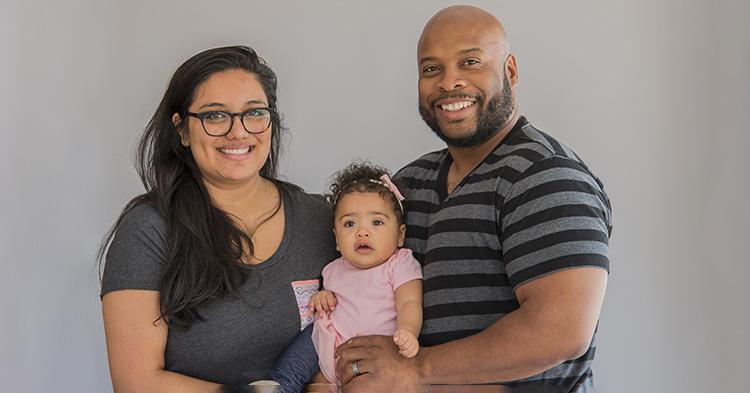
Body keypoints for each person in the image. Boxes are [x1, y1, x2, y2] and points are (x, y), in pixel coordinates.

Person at [334, 6, 612, 393]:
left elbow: (560, 332)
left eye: (470, 62)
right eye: (432, 69)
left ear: (510, 71)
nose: (450, 83)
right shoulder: (408, 184)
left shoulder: (547, 176)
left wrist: (417, 370)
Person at [98, 46, 338, 392]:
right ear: (181, 130)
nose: (238, 132)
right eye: (215, 116)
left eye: (254, 112)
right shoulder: (149, 230)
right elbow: (137, 382)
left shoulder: (323, 219)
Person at [261, 162, 423, 392]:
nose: (362, 231)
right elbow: (333, 299)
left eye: (376, 222)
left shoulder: (399, 264)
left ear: (400, 234)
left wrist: (408, 331)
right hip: (328, 340)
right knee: (299, 353)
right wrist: (322, 297)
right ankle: (282, 385)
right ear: (337, 239)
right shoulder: (334, 268)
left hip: (373, 348)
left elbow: (410, 302)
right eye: (350, 223)